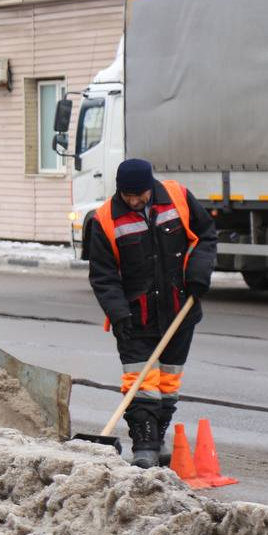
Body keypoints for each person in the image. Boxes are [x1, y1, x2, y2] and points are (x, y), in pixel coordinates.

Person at [88, 158, 217, 468]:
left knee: (168, 383)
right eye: (128, 196)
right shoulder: (105, 219)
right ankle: (144, 447)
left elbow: (205, 235)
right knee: (140, 382)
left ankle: (156, 441)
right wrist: (118, 314)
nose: (134, 201)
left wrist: (199, 274)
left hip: (179, 309)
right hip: (135, 317)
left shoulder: (178, 197)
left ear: (150, 187)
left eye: (139, 195)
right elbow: (103, 275)